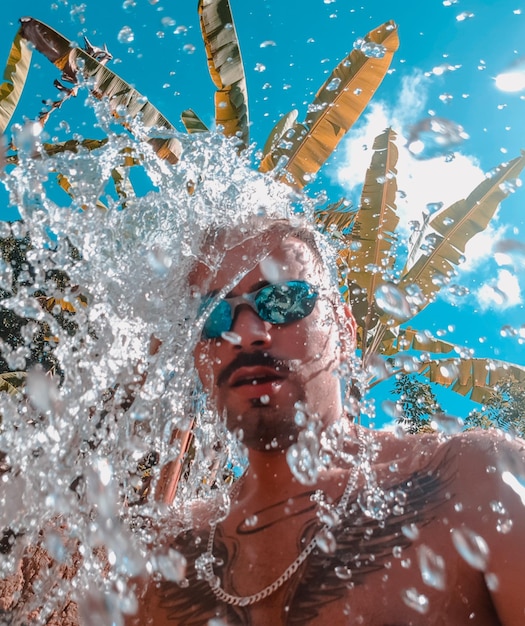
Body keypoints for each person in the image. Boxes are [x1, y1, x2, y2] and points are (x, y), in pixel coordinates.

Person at [127, 218, 525, 625]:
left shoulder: (475, 481)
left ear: (345, 330)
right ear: (198, 357)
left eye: (282, 300)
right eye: (213, 316)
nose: (245, 334)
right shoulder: (157, 557)